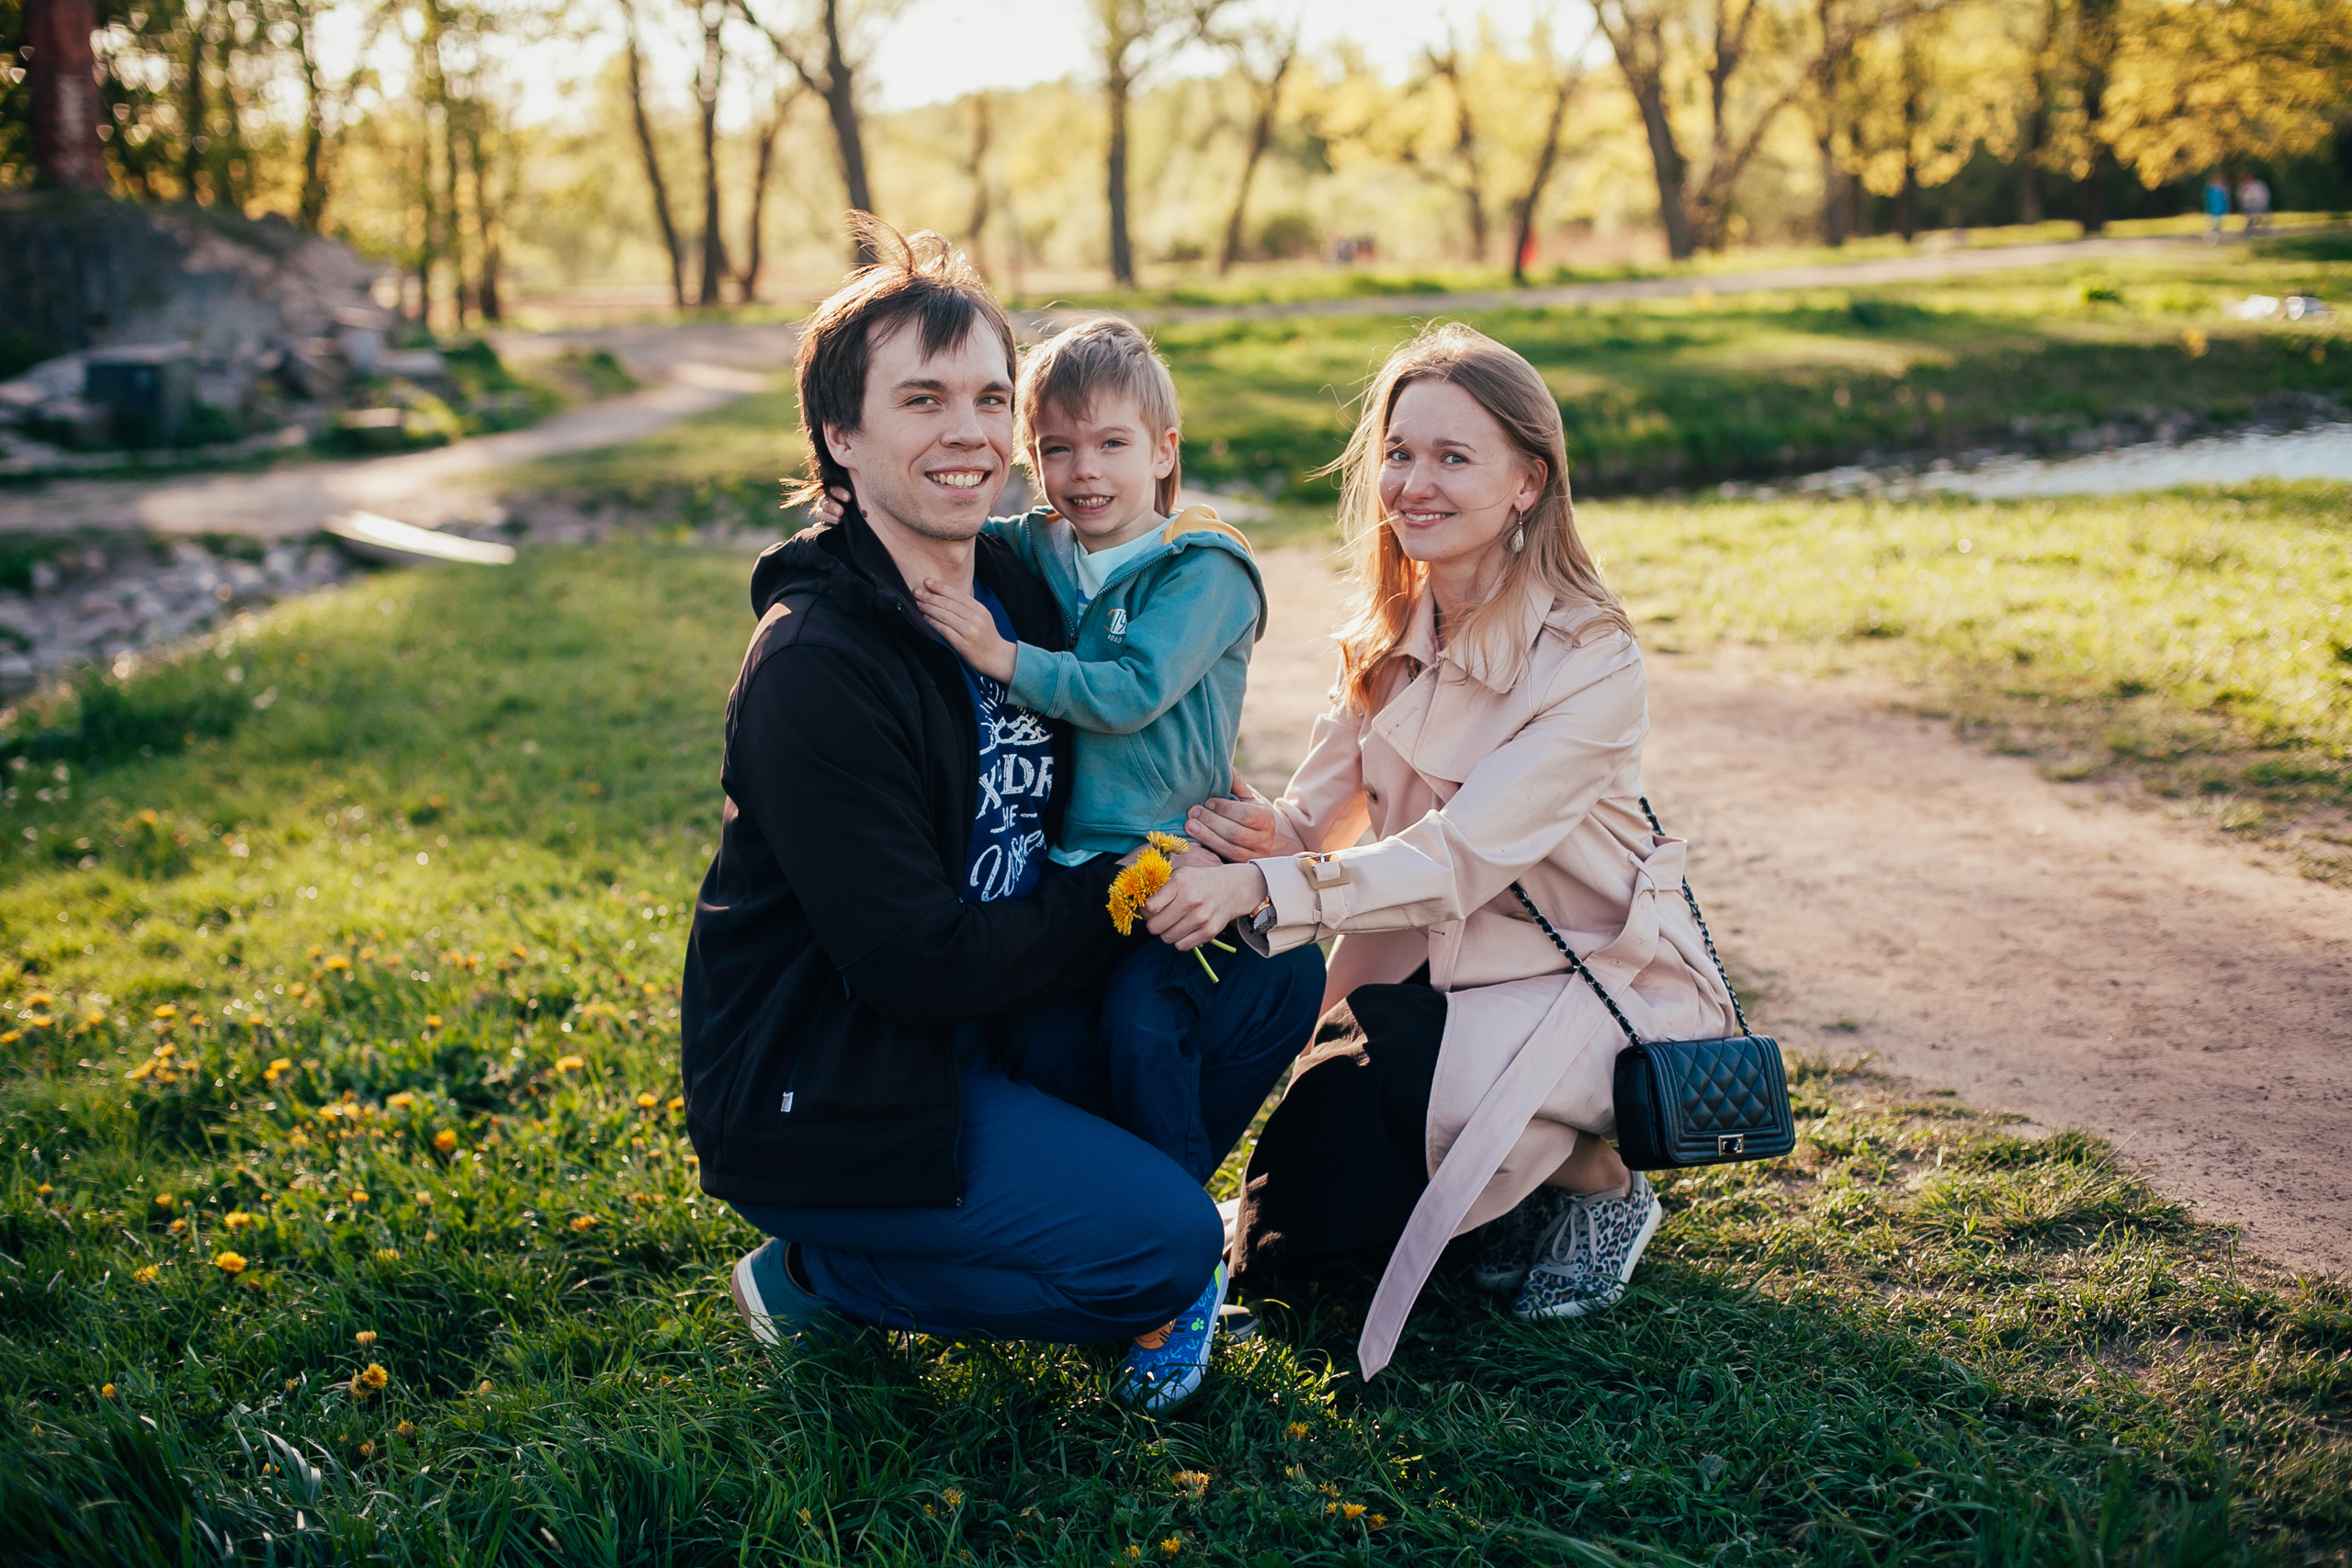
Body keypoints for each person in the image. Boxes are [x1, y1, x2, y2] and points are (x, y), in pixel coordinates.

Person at [679, 220, 1324, 1412]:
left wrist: (1221, 830)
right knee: (1164, 1246)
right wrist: (1132, 881)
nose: (970, 432)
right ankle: (821, 1270)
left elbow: (1137, 720)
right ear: (840, 435)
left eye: (988, 397)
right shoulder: (815, 666)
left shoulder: (1023, 583)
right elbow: (917, 967)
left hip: (1010, 1011)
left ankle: (1113, 1206)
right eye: (923, 399)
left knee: (1270, 966)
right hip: (849, 1072)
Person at [1141, 322, 1744, 1380]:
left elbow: (1456, 860)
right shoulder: (1390, 632)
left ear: (1527, 483)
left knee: (1412, 1123)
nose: (1414, 484)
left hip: (1587, 984)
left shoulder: (1589, 656)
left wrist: (1268, 885)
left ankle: (1601, 1184)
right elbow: (1308, 822)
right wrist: (1241, 837)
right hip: (1421, 987)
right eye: (1400, 453)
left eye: (1453, 458)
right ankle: (1499, 1189)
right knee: (1295, 1242)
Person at [814, 316, 1275, 1186]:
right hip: (1068, 866)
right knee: (1044, 1042)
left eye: (1112, 444)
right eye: (1057, 449)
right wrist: (855, 508)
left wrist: (1003, 657)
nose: (1084, 471)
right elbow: (938, 527)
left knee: (1143, 1027)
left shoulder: (1204, 570)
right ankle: (1100, 1210)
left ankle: (1176, 1222)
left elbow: (1133, 691)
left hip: (1170, 855)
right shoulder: (1046, 545)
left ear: (1165, 451)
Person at [2236, 173, 2270, 240]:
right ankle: (2250, 232)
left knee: (2260, 217)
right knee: (2250, 218)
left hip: (2259, 205)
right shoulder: (2243, 188)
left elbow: (2263, 196)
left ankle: (2264, 231)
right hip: (2249, 207)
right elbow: (2242, 199)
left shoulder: (2258, 185)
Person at [2204, 173, 2231, 245]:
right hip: (2212, 209)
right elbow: (2208, 200)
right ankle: (2212, 238)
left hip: (2221, 209)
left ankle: (2217, 237)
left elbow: (2226, 200)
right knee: (2213, 224)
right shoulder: (2210, 189)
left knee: (2219, 224)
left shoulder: (2223, 189)